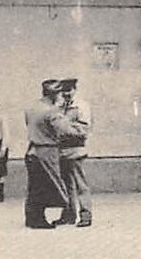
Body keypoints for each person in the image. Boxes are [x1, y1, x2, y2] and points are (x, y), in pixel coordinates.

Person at [23, 78, 77, 229]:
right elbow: (65, 130)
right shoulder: (52, 111)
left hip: (32, 149)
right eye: (59, 93)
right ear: (54, 94)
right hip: (47, 150)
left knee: (34, 186)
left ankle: (32, 218)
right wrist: (80, 130)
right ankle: (39, 220)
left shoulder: (32, 108)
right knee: (47, 185)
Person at [57, 78, 93, 227]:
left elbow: (83, 129)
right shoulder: (59, 107)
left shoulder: (82, 106)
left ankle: (86, 214)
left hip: (76, 149)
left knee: (80, 184)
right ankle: (69, 215)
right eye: (63, 92)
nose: (66, 94)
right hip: (62, 150)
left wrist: (65, 127)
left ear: (74, 90)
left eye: (69, 91)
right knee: (66, 185)